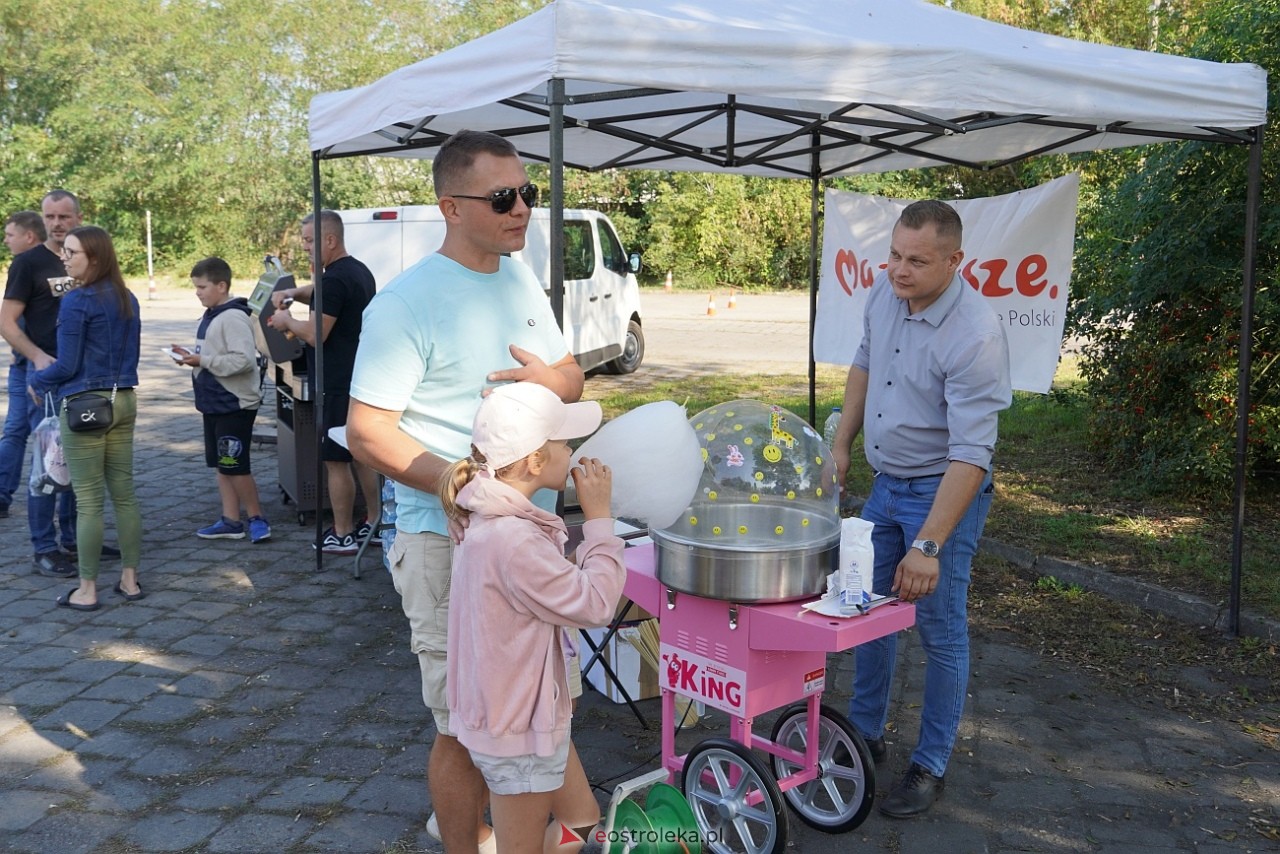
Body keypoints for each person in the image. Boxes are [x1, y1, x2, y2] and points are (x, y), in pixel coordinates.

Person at [346, 129, 585, 854]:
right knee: (463, 721)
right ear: (452, 206)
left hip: (531, 536)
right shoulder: (404, 304)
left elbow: (570, 376)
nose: (522, 211)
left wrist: (552, 383)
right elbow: (367, 431)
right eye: (505, 198)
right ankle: (463, 842)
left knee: (539, 705)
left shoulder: (518, 276)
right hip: (445, 541)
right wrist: (452, 479)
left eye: (528, 194)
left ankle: (545, 832)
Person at [829, 200, 1012, 818]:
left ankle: (930, 765)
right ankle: (865, 737)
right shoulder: (887, 295)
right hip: (887, 484)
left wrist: (928, 546)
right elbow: (862, 366)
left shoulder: (976, 335)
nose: (898, 271)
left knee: (939, 629)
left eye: (916, 261)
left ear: (955, 261)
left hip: (943, 491)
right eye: (894, 256)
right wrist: (842, 445)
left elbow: (972, 457)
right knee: (865, 611)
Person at [441, 383, 622, 853]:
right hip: (518, 729)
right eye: (565, 444)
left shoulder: (485, 512)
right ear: (536, 462)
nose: (574, 453)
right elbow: (596, 604)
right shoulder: (513, 540)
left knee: (582, 821)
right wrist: (600, 519)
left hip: (521, 716)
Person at [29, 225, 143, 611]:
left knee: (90, 502)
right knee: (124, 496)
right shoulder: (128, 297)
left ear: (94, 257)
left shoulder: (77, 301)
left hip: (85, 407)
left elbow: (68, 365)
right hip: (124, 400)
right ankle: (129, 581)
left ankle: (87, 590)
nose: (64, 257)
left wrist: (37, 380)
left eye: (71, 252)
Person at [266, 210, 378, 554]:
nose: (305, 247)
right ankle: (374, 522)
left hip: (335, 384)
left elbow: (315, 334)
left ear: (330, 240)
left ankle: (342, 532)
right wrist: (297, 293)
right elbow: (324, 292)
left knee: (336, 461)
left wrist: (286, 319)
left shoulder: (333, 281)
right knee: (363, 456)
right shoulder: (356, 270)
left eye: (310, 240)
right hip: (359, 378)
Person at [0, 190, 86, 576]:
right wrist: (36, 357)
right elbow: (6, 321)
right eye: (49, 217)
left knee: (79, 460)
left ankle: (74, 540)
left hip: (84, 376)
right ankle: (44, 548)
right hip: (46, 378)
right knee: (48, 464)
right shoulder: (28, 263)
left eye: (64, 216)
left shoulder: (88, 258)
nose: (56, 223)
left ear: (78, 218)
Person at [175, 257, 270, 543]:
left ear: (221, 285)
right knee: (222, 463)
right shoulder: (213, 314)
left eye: (202, 287)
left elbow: (243, 361)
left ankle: (256, 518)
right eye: (195, 287)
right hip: (214, 401)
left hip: (234, 403)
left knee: (236, 464)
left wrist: (202, 359)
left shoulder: (232, 317)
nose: (197, 292)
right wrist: (192, 357)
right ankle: (230, 520)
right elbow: (214, 354)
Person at [0, 211, 47, 517]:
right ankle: (2, 494)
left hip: (41, 367)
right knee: (15, 430)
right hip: (22, 365)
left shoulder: (29, 263)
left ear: (29, 236)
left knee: (43, 433)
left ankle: (45, 497)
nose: (6, 240)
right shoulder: (25, 265)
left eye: (10, 234)